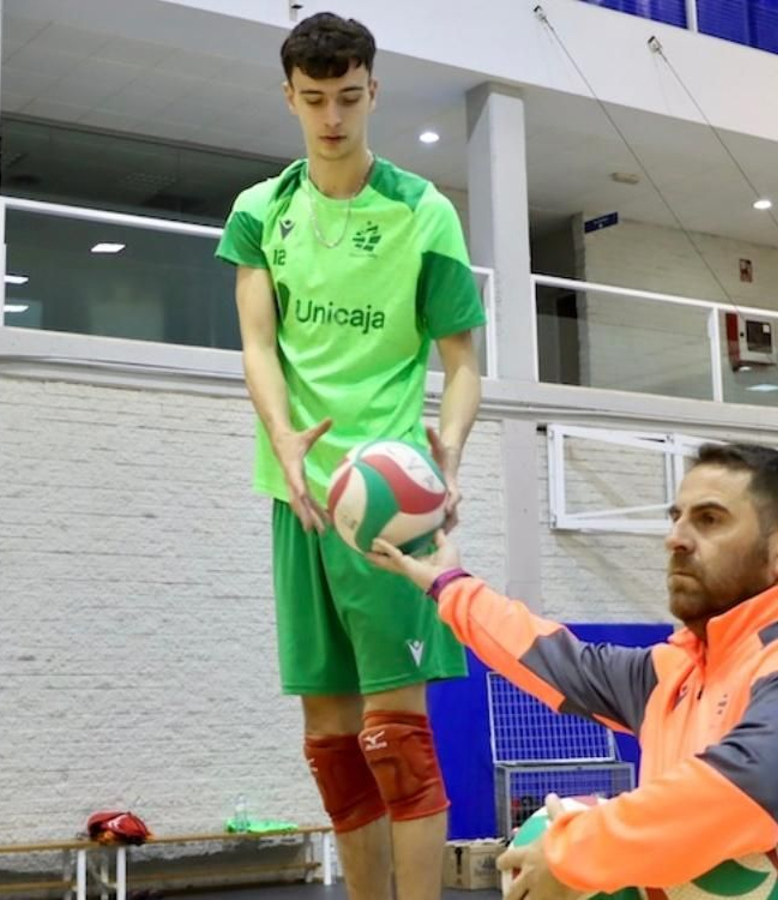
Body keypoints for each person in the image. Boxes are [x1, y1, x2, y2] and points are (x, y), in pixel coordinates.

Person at [370, 443, 778, 899]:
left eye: (709, 519)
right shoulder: (674, 672)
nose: (676, 538)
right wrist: (449, 585)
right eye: (676, 518)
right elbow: (553, 660)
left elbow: (757, 784)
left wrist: (573, 854)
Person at [212, 12, 486, 900]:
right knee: (330, 742)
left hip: (388, 501)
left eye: (349, 97)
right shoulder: (260, 210)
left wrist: (450, 449)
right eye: (315, 99)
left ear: (374, 92)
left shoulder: (423, 211)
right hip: (298, 495)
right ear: (289, 96)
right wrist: (281, 436)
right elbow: (258, 345)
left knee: (396, 739)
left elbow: (464, 361)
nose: (333, 117)